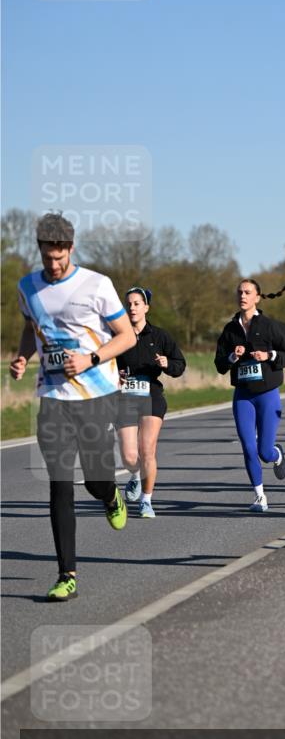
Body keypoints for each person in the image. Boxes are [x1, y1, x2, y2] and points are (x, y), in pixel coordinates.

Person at [9, 213, 136, 601]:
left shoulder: (96, 285)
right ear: (41, 247)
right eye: (49, 249)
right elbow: (32, 328)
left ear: (71, 247)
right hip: (52, 399)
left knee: (96, 481)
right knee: (60, 485)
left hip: (95, 396)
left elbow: (127, 336)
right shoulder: (27, 287)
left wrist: (91, 359)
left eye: (61, 249)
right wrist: (22, 356)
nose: (55, 257)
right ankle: (67, 574)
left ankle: (110, 494)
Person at [215, 279, 285, 512]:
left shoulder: (271, 326)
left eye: (248, 292)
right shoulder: (230, 330)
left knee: (264, 451)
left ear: (257, 297)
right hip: (243, 396)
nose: (243, 296)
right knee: (249, 447)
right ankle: (260, 496)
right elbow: (219, 364)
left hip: (267, 394)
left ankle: (276, 454)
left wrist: (269, 355)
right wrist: (232, 357)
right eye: (239, 292)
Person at [115, 286, 186, 517]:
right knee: (128, 456)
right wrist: (114, 376)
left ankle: (147, 500)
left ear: (146, 307)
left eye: (137, 303)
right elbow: (103, 365)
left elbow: (179, 365)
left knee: (147, 450)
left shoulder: (160, 336)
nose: (132, 308)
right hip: (125, 396)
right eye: (129, 304)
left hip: (151, 395)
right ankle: (134, 475)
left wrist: (166, 364)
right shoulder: (117, 336)